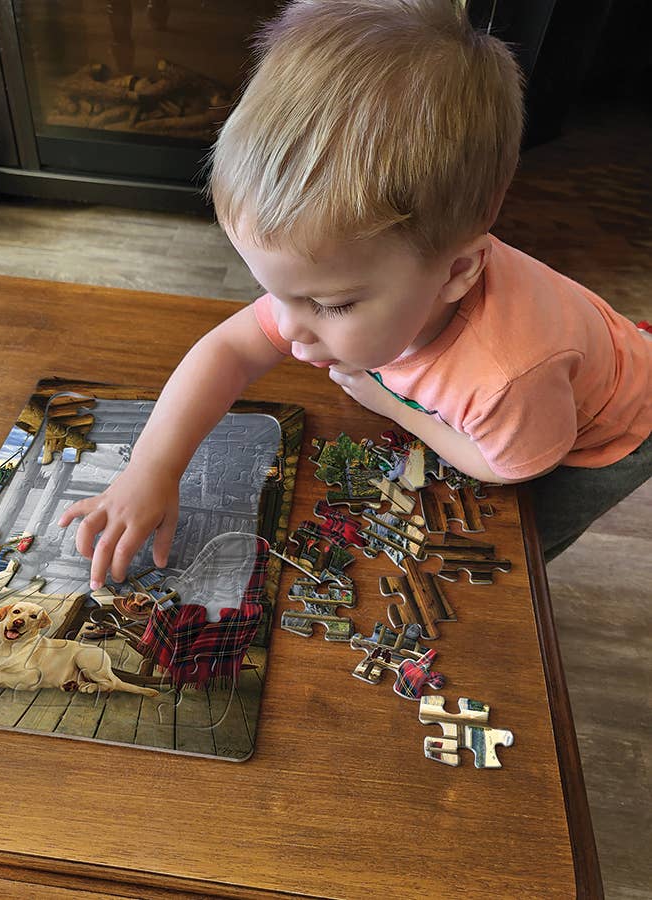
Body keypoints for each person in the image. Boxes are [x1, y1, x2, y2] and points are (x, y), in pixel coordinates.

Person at [59, 0, 651, 589]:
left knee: (518, 556)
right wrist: (150, 469)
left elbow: (507, 465)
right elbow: (227, 351)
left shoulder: (506, 377)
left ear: (455, 273)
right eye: (272, 290)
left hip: (610, 431)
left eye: (333, 305)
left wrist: (386, 401)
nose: (288, 329)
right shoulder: (357, 273)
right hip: (548, 378)